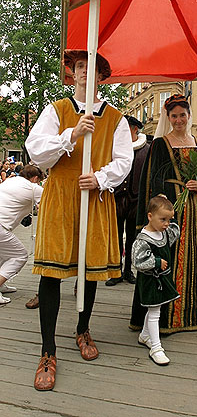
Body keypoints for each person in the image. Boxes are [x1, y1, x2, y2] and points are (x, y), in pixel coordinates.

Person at [25, 50, 133, 391]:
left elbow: (123, 160)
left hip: (94, 197)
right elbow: (36, 151)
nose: (85, 72)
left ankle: (82, 328)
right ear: (73, 74)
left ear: (101, 76)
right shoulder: (57, 110)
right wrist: (70, 135)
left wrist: (100, 178)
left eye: (92, 68)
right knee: (52, 271)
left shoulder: (115, 118)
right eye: (80, 67)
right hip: (61, 196)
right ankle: (48, 350)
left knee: (88, 270)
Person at [130, 94, 197, 334]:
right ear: (168, 118)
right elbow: (153, 177)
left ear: (189, 116)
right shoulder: (160, 143)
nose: (179, 120)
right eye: (174, 116)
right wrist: (161, 200)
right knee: (171, 255)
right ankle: (168, 316)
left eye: (182, 115)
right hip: (172, 210)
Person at [133, 195, 180, 365]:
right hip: (151, 282)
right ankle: (156, 347)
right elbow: (137, 261)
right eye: (163, 219)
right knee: (154, 312)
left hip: (162, 280)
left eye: (169, 219)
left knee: (156, 308)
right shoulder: (143, 239)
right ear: (150, 216)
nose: (166, 224)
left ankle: (145, 335)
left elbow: (175, 230)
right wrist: (157, 262)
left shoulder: (164, 233)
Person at [105, 115, 150, 287]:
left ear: (135, 129)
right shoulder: (114, 149)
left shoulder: (146, 150)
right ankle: (115, 271)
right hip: (117, 198)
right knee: (115, 236)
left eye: (126, 128)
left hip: (136, 200)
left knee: (133, 237)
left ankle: (128, 270)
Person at [0, 165, 43, 304]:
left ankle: (1, 284)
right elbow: (45, 207)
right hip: (1, 225)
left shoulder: (10, 180)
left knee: (3, 256)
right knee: (19, 256)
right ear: (35, 178)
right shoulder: (34, 188)